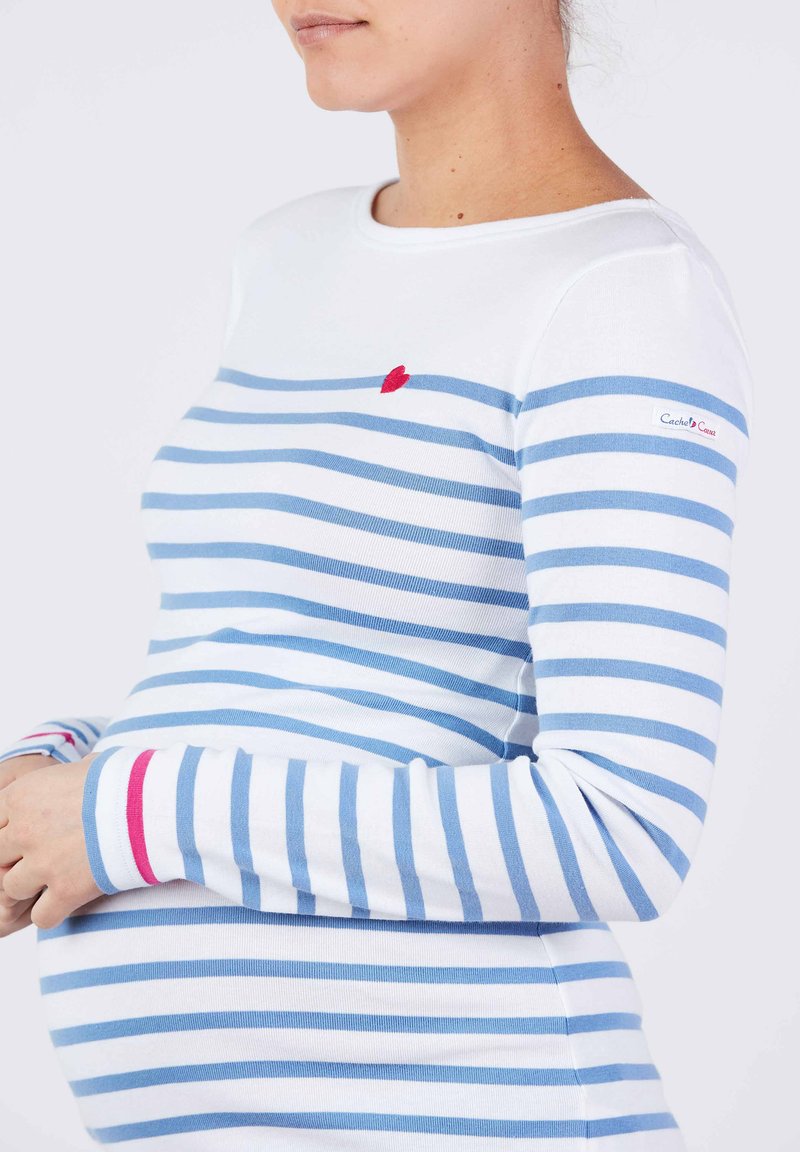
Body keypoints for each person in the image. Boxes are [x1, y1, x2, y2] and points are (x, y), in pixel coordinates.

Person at [0, 1, 753, 1147]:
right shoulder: (284, 255)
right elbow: (311, 682)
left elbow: (619, 828)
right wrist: (66, 770)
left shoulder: (619, 293)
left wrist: (129, 812)